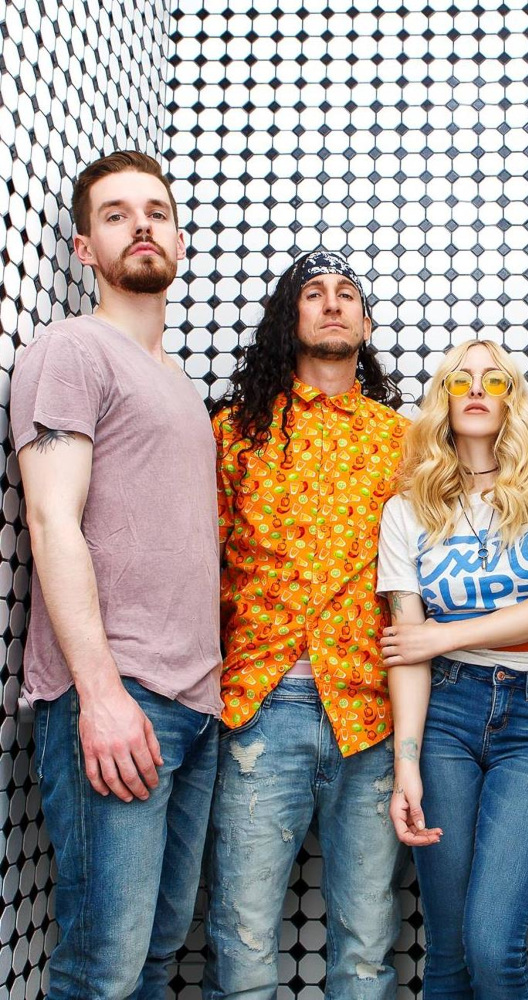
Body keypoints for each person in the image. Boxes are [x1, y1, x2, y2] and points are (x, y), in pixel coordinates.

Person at [10, 150, 221, 999]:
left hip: (195, 705)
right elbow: (50, 519)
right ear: (83, 248)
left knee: (156, 959)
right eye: (116, 214)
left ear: (178, 239)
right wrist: (99, 695)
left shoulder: (179, 384)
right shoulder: (71, 348)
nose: (142, 226)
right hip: (118, 694)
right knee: (104, 968)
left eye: (157, 212)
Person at [203, 250, 409, 1000]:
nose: (331, 303)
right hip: (262, 704)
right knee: (244, 942)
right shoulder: (236, 431)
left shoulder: (402, 439)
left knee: (367, 948)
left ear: (365, 324)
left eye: (347, 294)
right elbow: (201, 563)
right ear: (289, 318)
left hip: (371, 710)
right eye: (313, 293)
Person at [375, 338, 528, 1000]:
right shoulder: (407, 509)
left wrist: (441, 635)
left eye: (494, 381)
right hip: (444, 713)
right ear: (443, 399)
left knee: (492, 944)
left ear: (513, 400)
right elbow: (408, 652)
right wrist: (406, 765)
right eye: (461, 380)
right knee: (447, 952)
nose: (477, 390)